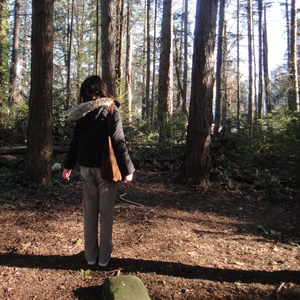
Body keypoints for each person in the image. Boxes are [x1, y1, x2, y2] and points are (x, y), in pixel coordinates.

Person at [62, 75, 134, 267]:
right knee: (106, 214)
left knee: (90, 213)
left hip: (86, 169)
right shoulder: (111, 109)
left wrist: (68, 165)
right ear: (101, 90)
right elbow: (119, 143)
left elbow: (75, 143)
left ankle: (90, 257)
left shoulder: (81, 114)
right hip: (106, 171)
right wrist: (128, 170)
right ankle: (103, 260)